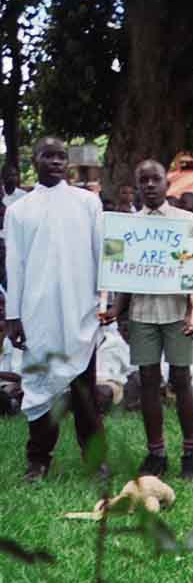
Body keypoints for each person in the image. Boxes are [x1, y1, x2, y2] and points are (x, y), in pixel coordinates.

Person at [5, 137, 105, 480]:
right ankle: (39, 460)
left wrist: (102, 303)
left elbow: (100, 255)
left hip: (81, 309)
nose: (56, 162)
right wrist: (13, 315)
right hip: (37, 311)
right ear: (35, 160)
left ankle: (95, 459)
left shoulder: (87, 203)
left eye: (61, 156)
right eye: (48, 156)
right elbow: (14, 264)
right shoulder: (19, 210)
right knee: (39, 384)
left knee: (84, 389)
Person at [104, 160, 193, 481]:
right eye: (143, 179)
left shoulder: (186, 222)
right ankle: (156, 452)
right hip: (143, 314)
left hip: (176, 312)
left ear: (167, 183)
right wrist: (115, 310)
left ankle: (191, 453)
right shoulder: (126, 226)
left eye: (155, 179)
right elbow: (122, 276)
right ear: (136, 185)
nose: (149, 185)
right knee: (148, 379)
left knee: (181, 378)